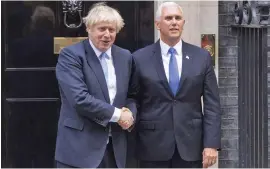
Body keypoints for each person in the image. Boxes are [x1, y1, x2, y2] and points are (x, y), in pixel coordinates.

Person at [129, 2, 221, 168]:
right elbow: (133, 98)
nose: (174, 22)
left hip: (191, 145)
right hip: (152, 145)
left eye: (178, 18)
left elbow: (212, 104)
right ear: (158, 24)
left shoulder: (201, 57)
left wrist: (211, 144)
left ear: (183, 23)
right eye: (168, 18)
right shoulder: (139, 58)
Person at [54, 2, 136, 168]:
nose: (107, 34)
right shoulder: (71, 55)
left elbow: (132, 95)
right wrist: (119, 115)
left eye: (111, 30)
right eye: (102, 29)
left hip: (115, 149)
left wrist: (130, 113)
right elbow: (79, 99)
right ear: (89, 28)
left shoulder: (125, 56)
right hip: (79, 149)